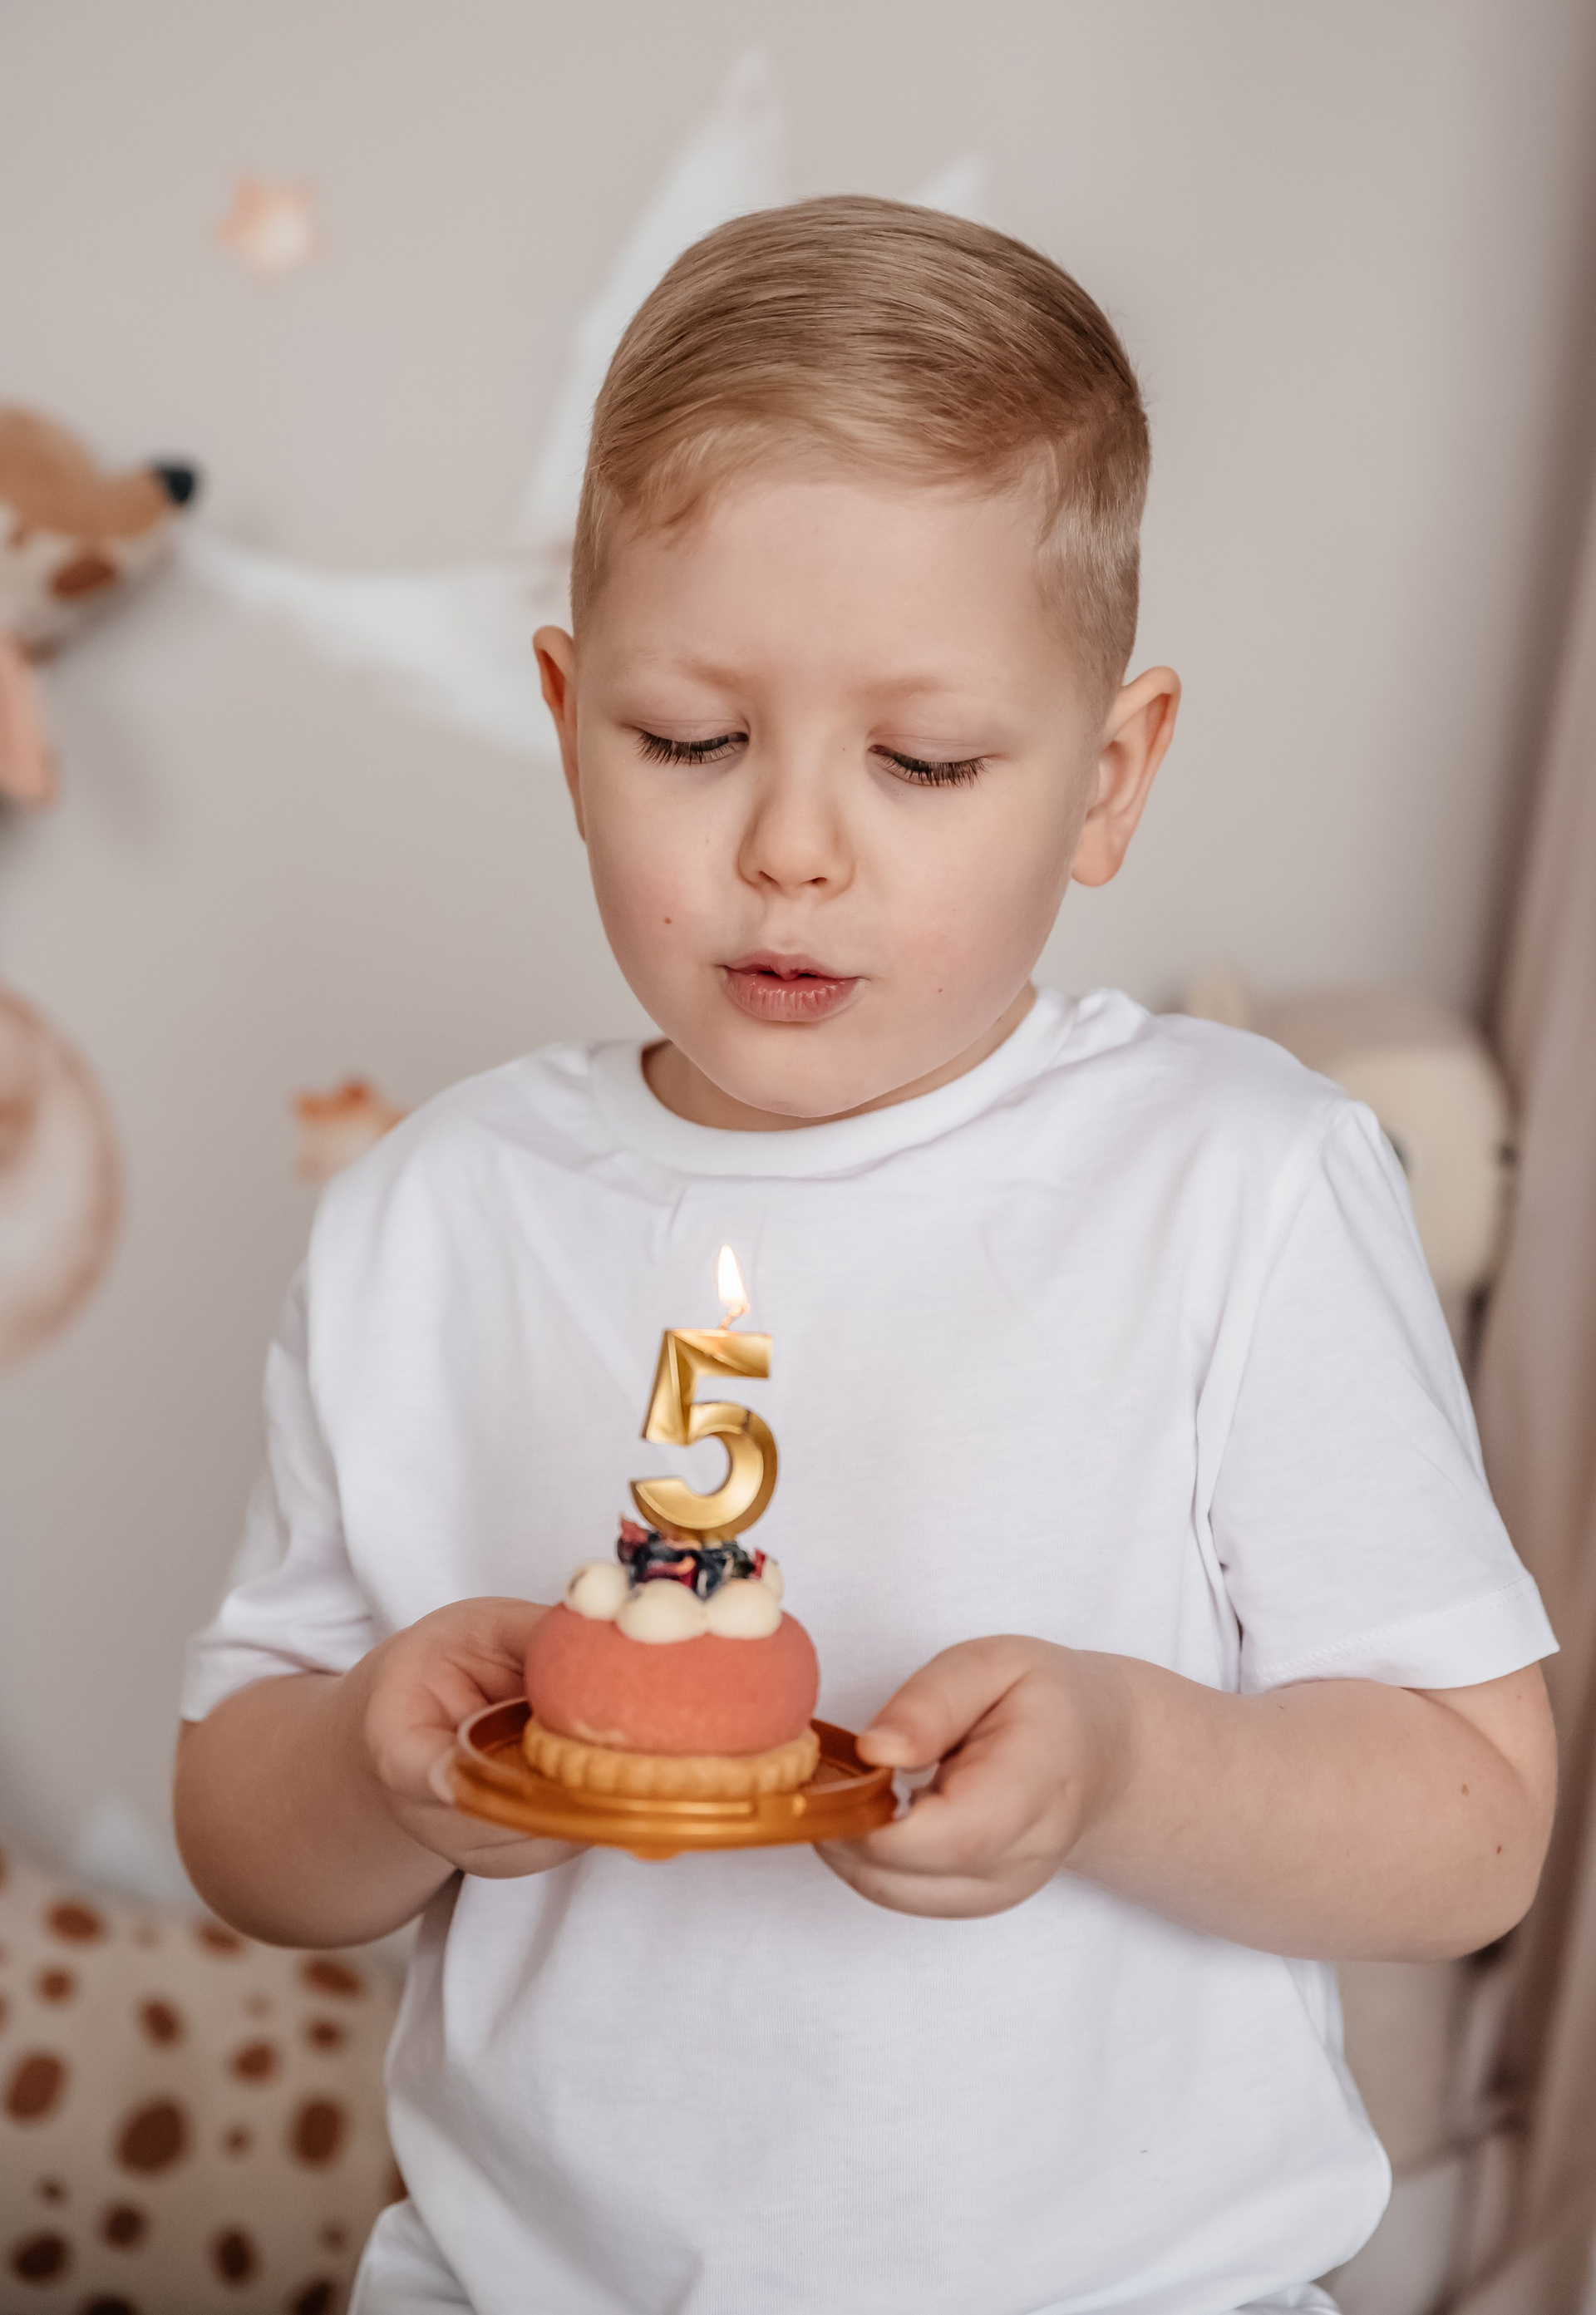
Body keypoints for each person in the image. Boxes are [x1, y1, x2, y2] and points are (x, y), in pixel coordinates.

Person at [174, 198, 1557, 2315]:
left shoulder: (1242, 1180)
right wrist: (386, 1752)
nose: (791, 847)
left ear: (1109, 779)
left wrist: (1130, 1762)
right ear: (566, 718)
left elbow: (1477, 1829)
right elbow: (242, 1830)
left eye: (922, 762)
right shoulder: (433, 1218)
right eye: (689, 739)